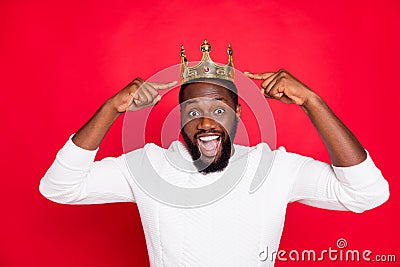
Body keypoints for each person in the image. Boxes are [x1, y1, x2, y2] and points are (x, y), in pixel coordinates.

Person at [39, 41, 389, 266]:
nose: (205, 121)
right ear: (178, 118)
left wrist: (313, 103)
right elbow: (59, 187)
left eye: (219, 109)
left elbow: (367, 193)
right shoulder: (147, 166)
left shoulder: (274, 168)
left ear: (237, 114)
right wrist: (110, 110)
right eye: (192, 111)